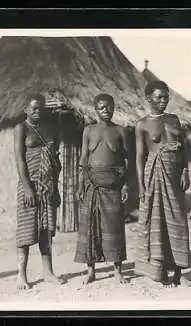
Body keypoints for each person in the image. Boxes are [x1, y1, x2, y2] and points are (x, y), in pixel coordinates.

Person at [134, 80, 191, 288]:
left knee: (177, 221)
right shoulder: (142, 124)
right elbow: (139, 157)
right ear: (148, 98)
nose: (163, 101)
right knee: (157, 222)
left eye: (166, 97)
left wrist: (186, 172)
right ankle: (160, 273)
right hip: (155, 176)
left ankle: (180, 273)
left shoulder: (174, 120)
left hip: (175, 176)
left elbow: (184, 149)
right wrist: (141, 186)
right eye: (159, 97)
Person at [74, 93, 130, 285]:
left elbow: (126, 159)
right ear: (95, 110)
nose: (105, 110)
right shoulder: (88, 130)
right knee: (90, 227)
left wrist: (125, 184)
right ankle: (91, 271)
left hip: (113, 186)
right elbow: (83, 158)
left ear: (114, 107)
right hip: (92, 185)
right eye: (101, 107)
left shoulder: (121, 131)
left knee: (114, 228)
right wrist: (80, 183)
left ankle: (117, 270)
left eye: (109, 106)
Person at [13, 93, 65, 290]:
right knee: (26, 229)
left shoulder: (50, 129)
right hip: (29, 184)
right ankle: (21, 274)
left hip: (48, 185)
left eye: (40, 108)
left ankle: (48, 272)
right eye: (33, 108)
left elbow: (55, 162)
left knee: (46, 229)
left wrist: (56, 188)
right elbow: (19, 160)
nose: (37, 112)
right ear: (26, 109)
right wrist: (27, 189)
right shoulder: (21, 128)